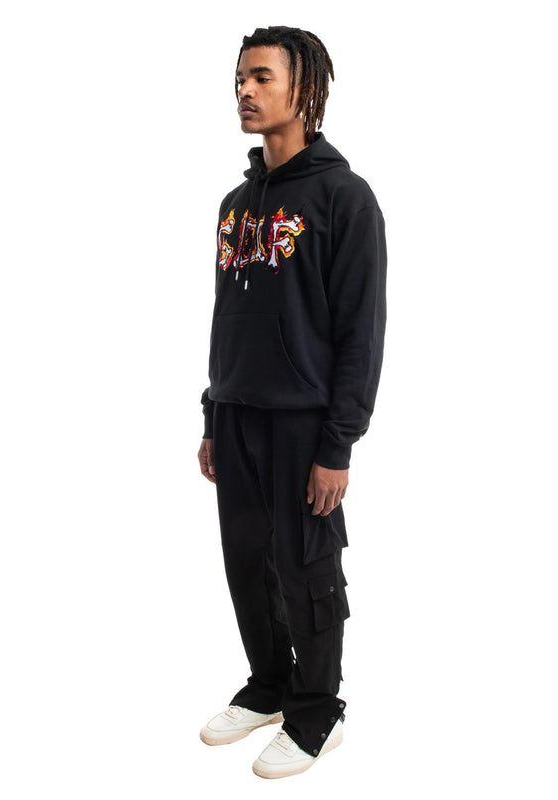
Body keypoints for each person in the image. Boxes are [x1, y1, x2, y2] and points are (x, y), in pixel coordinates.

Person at [197, 25, 386, 779]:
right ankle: (270, 684)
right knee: (247, 560)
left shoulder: (345, 198)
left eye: (261, 78)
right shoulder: (236, 205)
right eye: (239, 79)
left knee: (307, 566)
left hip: (305, 421)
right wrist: (213, 413)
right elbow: (227, 317)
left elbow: (361, 331)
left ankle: (317, 711)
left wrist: (338, 443)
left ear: (304, 88)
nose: (245, 91)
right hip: (237, 413)